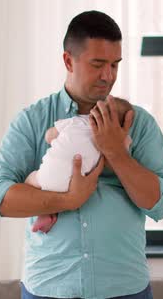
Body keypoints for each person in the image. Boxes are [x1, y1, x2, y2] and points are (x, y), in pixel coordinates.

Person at [0, 10, 163, 299]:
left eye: (115, 65)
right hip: (49, 288)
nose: (108, 76)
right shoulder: (33, 121)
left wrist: (116, 151)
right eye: (98, 64)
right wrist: (68, 200)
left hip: (124, 288)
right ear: (68, 61)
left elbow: (160, 205)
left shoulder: (138, 122)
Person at [26, 97, 134, 234]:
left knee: (31, 178)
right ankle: (49, 214)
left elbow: (49, 136)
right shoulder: (117, 141)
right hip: (75, 185)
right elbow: (117, 159)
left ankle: (45, 214)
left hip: (46, 177)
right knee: (65, 185)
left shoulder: (76, 121)